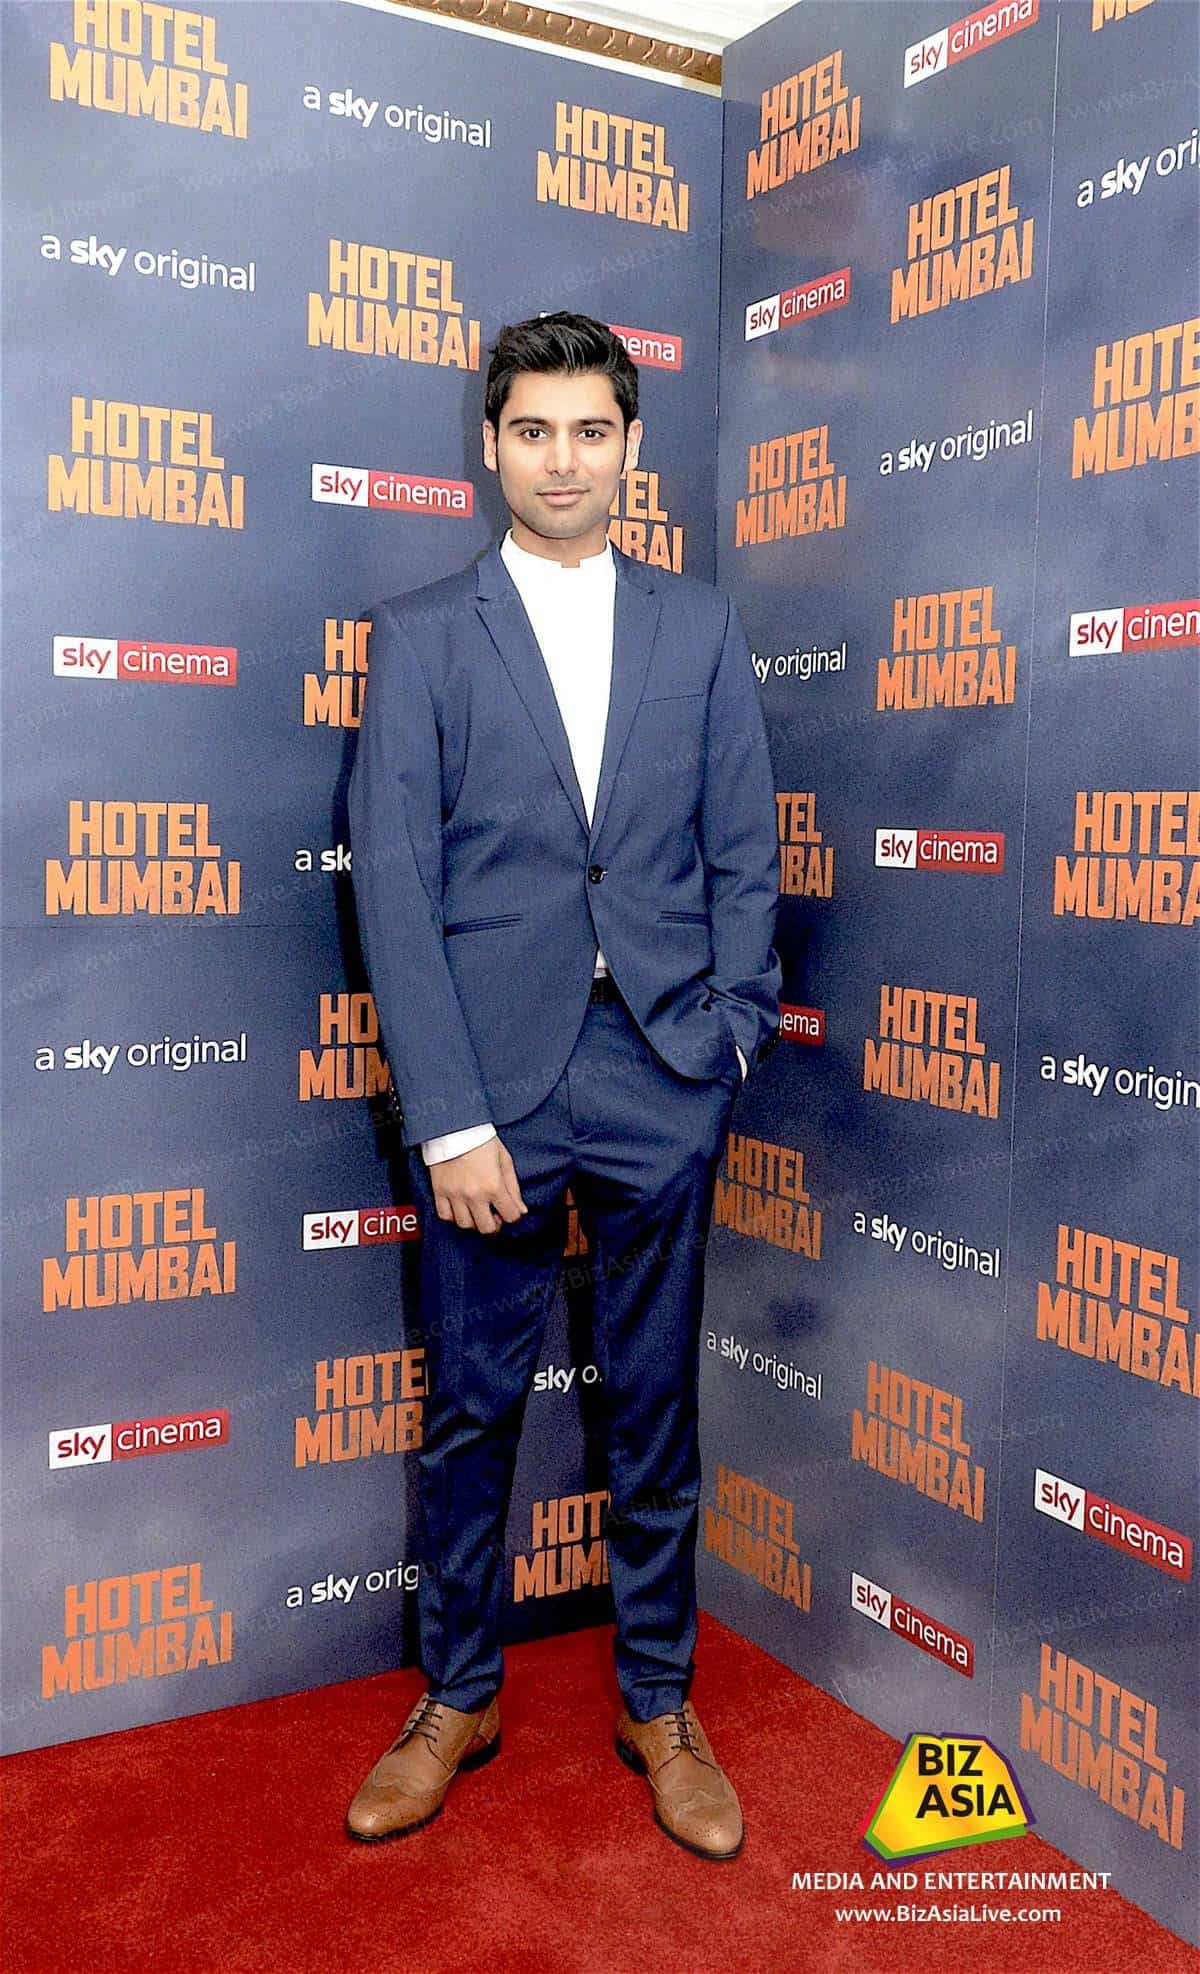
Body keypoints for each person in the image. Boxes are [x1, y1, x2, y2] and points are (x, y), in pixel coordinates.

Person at [345, 311, 781, 1860]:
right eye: (532, 429)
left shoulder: (700, 629)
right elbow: (395, 891)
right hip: (494, 1087)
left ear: (630, 447)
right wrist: (453, 1116)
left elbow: (745, 851)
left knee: (655, 1409)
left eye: (591, 430)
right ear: (491, 444)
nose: (562, 459)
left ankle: (658, 1698)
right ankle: (457, 1694)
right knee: (471, 1411)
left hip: (661, 1066)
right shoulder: (422, 634)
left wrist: (727, 1041)